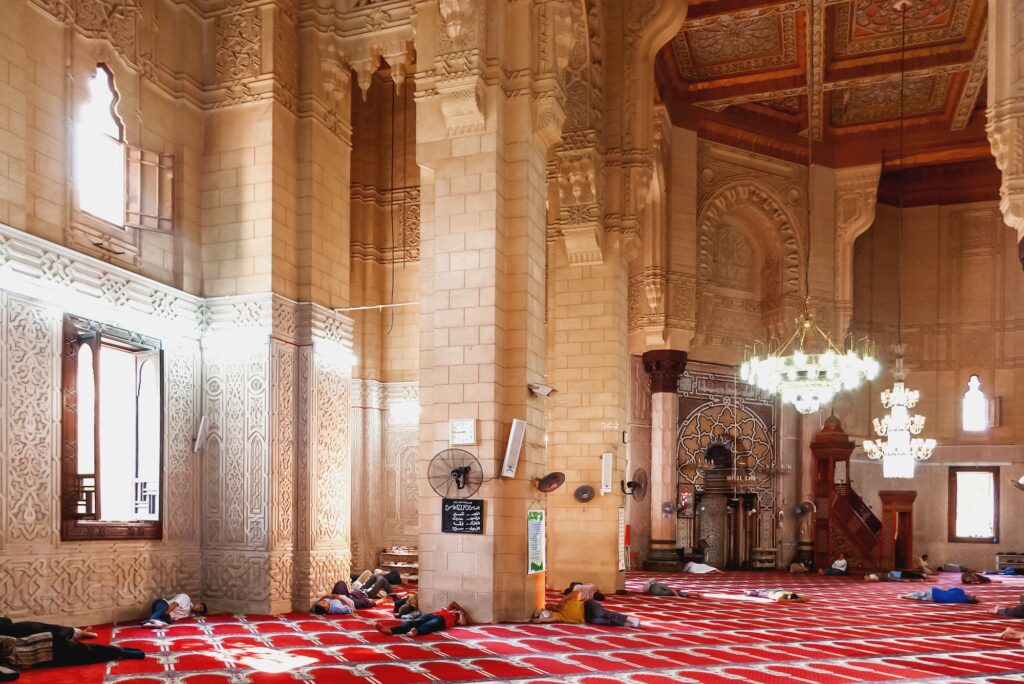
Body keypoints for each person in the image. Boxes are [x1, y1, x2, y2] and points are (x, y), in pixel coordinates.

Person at [0, 619, 144, 676]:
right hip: (42, 645)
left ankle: (120, 652)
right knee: (84, 652)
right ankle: (120, 651)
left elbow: (11, 674)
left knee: (85, 653)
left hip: (40, 650)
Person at [531, 591, 640, 627]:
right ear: (551, 611)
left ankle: (628, 618)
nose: (551, 606)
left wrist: (563, 599)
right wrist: (540, 620)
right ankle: (626, 624)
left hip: (588, 605)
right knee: (596, 620)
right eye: (549, 608)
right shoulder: (559, 615)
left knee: (599, 613)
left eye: (550, 604)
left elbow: (577, 593)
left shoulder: (566, 602)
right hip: (587, 617)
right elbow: (549, 620)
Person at [375, 602, 469, 637]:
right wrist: (450, 609)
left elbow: (463, 623)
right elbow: (452, 604)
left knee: (429, 625)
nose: (454, 609)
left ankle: (417, 632)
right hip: (432, 615)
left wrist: (460, 613)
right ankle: (391, 630)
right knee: (412, 622)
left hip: (442, 620)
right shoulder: (446, 609)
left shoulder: (456, 616)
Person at [142, 593, 206, 628]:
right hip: (162, 604)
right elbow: (174, 604)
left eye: (200, 611)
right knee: (164, 611)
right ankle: (149, 621)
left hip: (165, 615)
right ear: (198, 603)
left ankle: (154, 621)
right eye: (200, 607)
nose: (199, 610)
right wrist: (166, 614)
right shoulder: (186, 598)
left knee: (169, 621)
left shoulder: (189, 614)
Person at [903, 586, 978, 604]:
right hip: (934, 599)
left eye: (973, 595)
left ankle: (908, 595)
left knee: (922, 593)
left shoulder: (960, 591)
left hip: (934, 592)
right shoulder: (963, 601)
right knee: (922, 597)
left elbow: (949, 590)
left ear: (970, 596)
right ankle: (913, 596)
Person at [742, 588, 806, 602]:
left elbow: (807, 598)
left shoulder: (792, 594)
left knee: (759, 591)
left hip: (775, 591)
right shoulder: (785, 596)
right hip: (770, 592)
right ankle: (747, 591)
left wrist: (798, 598)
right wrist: (795, 601)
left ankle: (748, 591)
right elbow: (779, 600)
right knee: (757, 593)